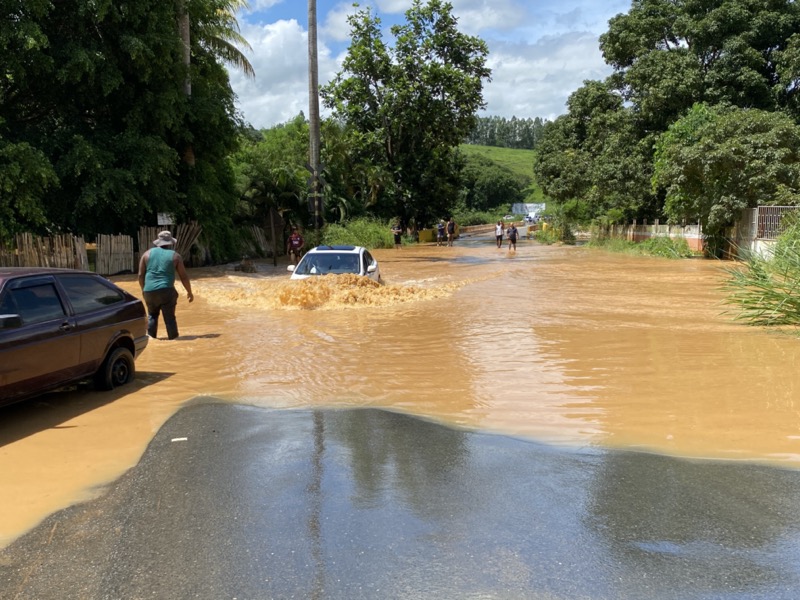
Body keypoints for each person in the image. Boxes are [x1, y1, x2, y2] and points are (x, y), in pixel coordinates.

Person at [138, 230, 193, 340]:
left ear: (158, 242)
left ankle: (151, 340)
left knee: (152, 316)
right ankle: (174, 340)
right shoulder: (176, 256)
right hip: (166, 291)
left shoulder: (146, 254)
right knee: (169, 318)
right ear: (170, 243)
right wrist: (189, 292)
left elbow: (140, 275)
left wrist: (144, 290)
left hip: (149, 291)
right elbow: (184, 277)